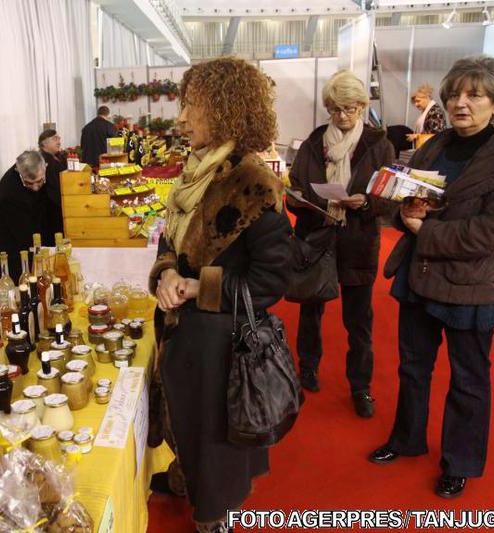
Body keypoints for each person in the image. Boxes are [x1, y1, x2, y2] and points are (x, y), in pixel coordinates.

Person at [147, 57, 292, 533]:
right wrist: (167, 274)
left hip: (222, 347)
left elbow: (273, 279)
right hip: (186, 338)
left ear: (227, 110)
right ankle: (188, 477)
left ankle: (216, 516)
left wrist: (199, 287)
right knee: (188, 426)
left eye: (192, 107)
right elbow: (172, 246)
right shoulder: (197, 174)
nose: (181, 119)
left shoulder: (254, 185)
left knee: (215, 439)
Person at [370, 55, 494, 499]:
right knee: (413, 365)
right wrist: (401, 205)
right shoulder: (435, 144)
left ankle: (459, 461)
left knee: (468, 379)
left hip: (472, 283)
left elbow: (492, 231)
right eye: (454, 94)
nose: (460, 103)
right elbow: (404, 192)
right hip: (420, 273)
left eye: (474, 95)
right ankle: (407, 438)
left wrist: (426, 230)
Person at [287, 70, 395, 418]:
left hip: (357, 241)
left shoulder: (379, 143)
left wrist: (365, 203)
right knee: (310, 310)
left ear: (363, 106)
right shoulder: (314, 141)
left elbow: (390, 196)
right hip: (316, 239)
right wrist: (298, 199)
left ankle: (361, 387)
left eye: (349, 108)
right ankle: (307, 367)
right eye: (335, 109)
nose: (342, 116)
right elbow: (294, 186)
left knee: (359, 321)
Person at [0, 150, 49, 283]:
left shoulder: (44, 170)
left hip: (29, 233)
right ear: (19, 173)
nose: (35, 188)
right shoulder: (9, 192)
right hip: (12, 243)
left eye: (39, 181)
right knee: (17, 279)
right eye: (28, 183)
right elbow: (24, 235)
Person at [38, 129, 67, 245]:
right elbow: (51, 187)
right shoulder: (43, 160)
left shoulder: (58, 157)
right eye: (55, 139)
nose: (59, 142)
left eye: (59, 139)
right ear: (44, 143)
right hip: (51, 209)